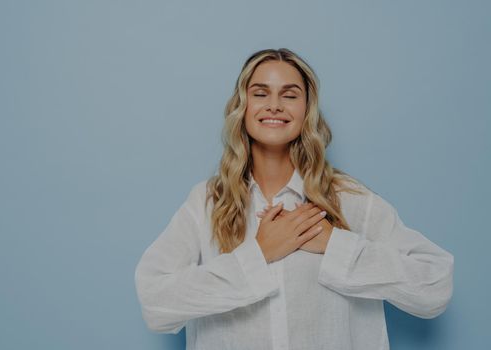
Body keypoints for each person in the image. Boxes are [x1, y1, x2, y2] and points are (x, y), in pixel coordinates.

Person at [134, 48, 454, 350]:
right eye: (260, 93)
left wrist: (335, 244)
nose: (274, 105)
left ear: (307, 111)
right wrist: (259, 255)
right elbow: (155, 301)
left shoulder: (349, 200)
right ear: (242, 107)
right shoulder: (207, 202)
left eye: (290, 95)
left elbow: (435, 285)